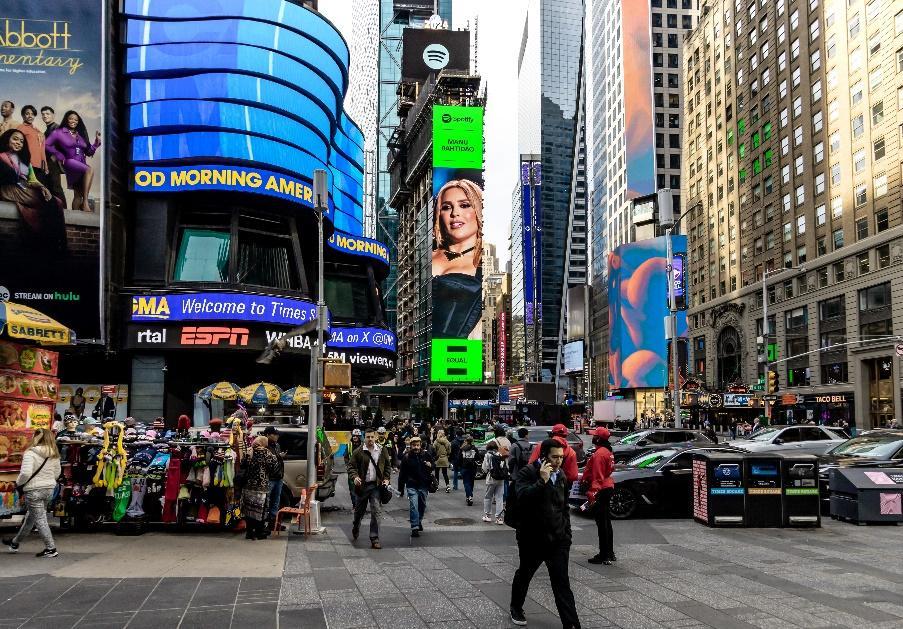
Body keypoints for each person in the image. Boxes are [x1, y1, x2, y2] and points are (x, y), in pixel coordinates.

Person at [509, 439, 580, 629]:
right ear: (544, 457)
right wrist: (542, 481)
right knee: (525, 574)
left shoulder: (562, 475)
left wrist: (567, 535)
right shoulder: (528, 472)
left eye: (561, 458)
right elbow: (522, 497)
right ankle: (516, 607)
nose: (558, 461)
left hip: (558, 539)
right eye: (554, 457)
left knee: (561, 583)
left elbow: (564, 508)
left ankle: (571, 624)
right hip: (532, 539)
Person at [431, 178, 484, 338]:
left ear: (479, 210)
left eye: (464, 205)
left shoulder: (483, 262)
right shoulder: (424, 256)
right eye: (446, 207)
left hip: (455, 355)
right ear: (439, 215)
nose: (455, 213)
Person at [0, 129, 66, 252]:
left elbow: (32, 180)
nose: (19, 142)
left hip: (25, 189)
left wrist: (43, 187)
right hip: (9, 189)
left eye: (21, 141)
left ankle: (58, 242)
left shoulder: (24, 161)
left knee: (57, 201)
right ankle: (52, 243)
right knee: (48, 202)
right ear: (7, 139)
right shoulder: (1, 156)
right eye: (15, 139)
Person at [3, 429, 63, 557]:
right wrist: (48, 481)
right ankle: (15, 543)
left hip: (33, 490)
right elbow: (57, 473)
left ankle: (51, 548)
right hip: (49, 489)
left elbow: (25, 473)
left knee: (40, 518)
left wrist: (18, 483)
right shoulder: (54, 453)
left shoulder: (30, 453)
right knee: (31, 517)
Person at [45, 110, 101, 212]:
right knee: (90, 170)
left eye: (76, 119)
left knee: (78, 194)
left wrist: (96, 143)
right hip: (69, 161)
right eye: (71, 118)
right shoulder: (58, 132)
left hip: (81, 163)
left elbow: (89, 152)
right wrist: (58, 154)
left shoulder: (80, 135)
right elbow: (46, 144)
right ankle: (85, 203)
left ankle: (76, 220)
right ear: (66, 119)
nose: (73, 121)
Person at [347, 428, 392, 549]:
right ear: (364, 438)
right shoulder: (359, 451)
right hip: (362, 487)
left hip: (375, 486)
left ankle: (374, 538)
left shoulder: (382, 450)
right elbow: (351, 466)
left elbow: (387, 466)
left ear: (375, 437)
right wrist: (355, 477)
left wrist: (387, 478)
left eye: (372, 437)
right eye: (368, 437)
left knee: (376, 511)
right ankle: (356, 526)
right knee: (358, 512)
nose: (370, 439)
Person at [582, 427, 616, 565]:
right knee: (606, 522)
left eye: (594, 435)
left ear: (598, 439)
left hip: (601, 489)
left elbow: (598, 476)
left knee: (602, 523)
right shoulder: (607, 452)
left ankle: (604, 555)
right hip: (607, 486)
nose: (593, 437)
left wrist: (592, 493)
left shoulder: (599, 454)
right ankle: (609, 553)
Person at [241, 436, 279, 540]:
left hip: (248, 486)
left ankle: (249, 532)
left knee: (249, 509)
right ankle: (259, 532)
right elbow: (274, 467)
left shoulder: (249, 451)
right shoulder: (267, 453)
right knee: (260, 510)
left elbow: (242, 465)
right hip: (261, 487)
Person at [397, 436, 434, 537]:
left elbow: (433, 465)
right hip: (411, 485)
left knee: (422, 505)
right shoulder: (406, 457)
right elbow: (402, 474)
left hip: (424, 484)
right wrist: (400, 488)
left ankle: (419, 520)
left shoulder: (426, 454)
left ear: (420, 445)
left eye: (417, 445)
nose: (416, 447)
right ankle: (414, 527)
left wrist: (431, 465)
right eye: (414, 445)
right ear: (411, 445)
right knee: (414, 505)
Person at [39, 106, 66, 208]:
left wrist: (55, 157)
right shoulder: (47, 131)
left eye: (47, 114)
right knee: (49, 186)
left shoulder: (58, 127)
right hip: (47, 163)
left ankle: (64, 211)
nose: (45, 116)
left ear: (53, 115)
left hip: (53, 162)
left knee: (56, 187)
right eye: (43, 114)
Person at [262, 426, 285, 530]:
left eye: (277, 434)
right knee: (265, 501)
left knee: (276, 501)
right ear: (267, 435)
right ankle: (263, 524)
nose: (277, 436)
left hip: (278, 477)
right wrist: (278, 457)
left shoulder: (277, 445)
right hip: (269, 478)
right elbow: (266, 462)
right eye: (274, 434)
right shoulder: (264, 446)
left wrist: (280, 456)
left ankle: (273, 523)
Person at [482, 441, 507, 525]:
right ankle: (499, 518)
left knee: (488, 497)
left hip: (491, 479)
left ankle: (488, 516)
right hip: (501, 479)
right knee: (499, 497)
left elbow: (485, 468)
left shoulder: (487, 455)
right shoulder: (500, 454)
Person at [17, 106, 47, 173]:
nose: (30, 116)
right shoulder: (20, 128)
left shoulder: (38, 131)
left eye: (32, 114)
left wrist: (46, 166)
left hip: (40, 166)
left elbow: (42, 149)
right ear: (23, 115)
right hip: (27, 164)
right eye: (27, 114)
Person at [344, 429, 363, 508]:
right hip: (352, 470)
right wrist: (348, 466)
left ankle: (360, 503)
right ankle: (355, 504)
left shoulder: (363, 445)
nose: (355, 437)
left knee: (361, 487)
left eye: (356, 436)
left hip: (361, 470)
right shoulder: (349, 445)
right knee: (352, 488)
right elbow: (345, 457)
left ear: (359, 437)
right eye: (354, 436)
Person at [459, 434, 479, 506]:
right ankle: (470, 496)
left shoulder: (462, 449)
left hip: (464, 467)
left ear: (466, 441)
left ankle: (469, 496)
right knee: (471, 482)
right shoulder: (475, 449)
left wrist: (460, 466)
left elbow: (459, 459)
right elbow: (478, 457)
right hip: (473, 467)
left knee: (466, 482)